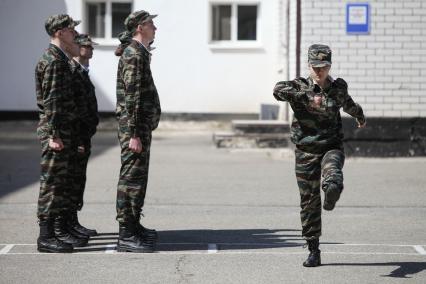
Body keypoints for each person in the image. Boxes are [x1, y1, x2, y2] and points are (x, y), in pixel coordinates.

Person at [273, 44, 366, 267]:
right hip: (305, 152)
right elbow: (277, 90)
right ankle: (313, 249)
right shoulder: (299, 86)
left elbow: (349, 104)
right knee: (309, 202)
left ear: (329, 66)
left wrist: (360, 117)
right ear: (309, 66)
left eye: (323, 67)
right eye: (315, 67)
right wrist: (306, 97)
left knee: (332, 170)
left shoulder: (338, 87)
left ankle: (332, 188)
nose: (319, 71)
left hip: (331, 146)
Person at [35, 14, 88, 253]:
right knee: (52, 184)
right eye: (70, 30)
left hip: (65, 131)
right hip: (57, 133)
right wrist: (54, 135)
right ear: (58, 32)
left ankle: (58, 230)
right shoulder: (54, 61)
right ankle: (46, 236)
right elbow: (52, 101)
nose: (74, 33)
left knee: (61, 184)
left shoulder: (60, 59)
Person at [114, 10, 161, 253]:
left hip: (140, 126)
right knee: (131, 179)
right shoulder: (133, 53)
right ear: (140, 27)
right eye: (151, 24)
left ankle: (134, 225)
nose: (155, 28)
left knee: (138, 180)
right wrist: (133, 133)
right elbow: (132, 95)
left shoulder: (139, 52)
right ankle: (126, 234)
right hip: (134, 128)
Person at [67, 34, 99, 237]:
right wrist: (78, 139)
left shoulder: (83, 71)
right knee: (72, 181)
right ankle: (68, 223)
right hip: (77, 136)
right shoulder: (73, 72)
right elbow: (74, 109)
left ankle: (73, 220)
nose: (91, 50)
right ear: (78, 47)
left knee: (79, 180)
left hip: (84, 136)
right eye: (87, 46)